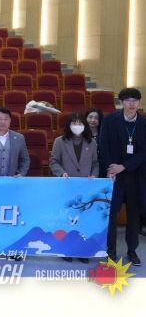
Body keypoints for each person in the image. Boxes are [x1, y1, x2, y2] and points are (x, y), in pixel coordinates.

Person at [100, 88, 146, 265]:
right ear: (121, 102)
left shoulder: (143, 123)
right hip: (114, 175)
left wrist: (124, 166)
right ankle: (110, 251)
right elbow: (103, 146)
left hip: (135, 176)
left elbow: (144, 153)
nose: (131, 104)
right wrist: (111, 169)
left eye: (135, 100)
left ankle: (132, 251)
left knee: (133, 216)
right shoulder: (110, 120)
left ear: (139, 103)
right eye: (127, 100)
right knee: (111, 215)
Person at [50, 113, 99, 179]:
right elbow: (53, 162)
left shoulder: (92, 142)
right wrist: (61, 173)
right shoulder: (59, 141)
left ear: (84, 126)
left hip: (86, 181)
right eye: (74, 124)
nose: (77, 126)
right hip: (66, 181)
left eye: (80, 124)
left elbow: (95, 164)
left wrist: (94, 175)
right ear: (69, 125)